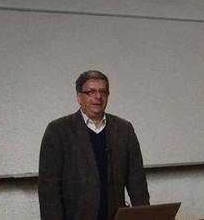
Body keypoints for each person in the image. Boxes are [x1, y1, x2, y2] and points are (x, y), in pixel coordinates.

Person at [38, 70, 150, 220]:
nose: (98, 97)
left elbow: (137, 182)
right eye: (91, 92)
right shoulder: (58, 130)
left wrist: (144, 216)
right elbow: (49, 188)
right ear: (79, 97)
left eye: (102, 92)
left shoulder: (124, 130)